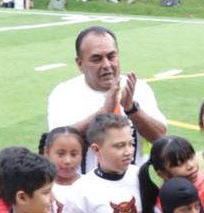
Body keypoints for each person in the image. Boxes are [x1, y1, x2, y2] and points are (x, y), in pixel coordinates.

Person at [47, 26, 167, 173]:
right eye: (96, 59)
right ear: (80, 64)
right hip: (83, 185)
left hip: (134, 184)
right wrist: (103, 113)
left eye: (111, 56)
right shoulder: (63, 93)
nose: (106, 65)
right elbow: (60, 143)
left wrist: (132, 110)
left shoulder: (138, 88)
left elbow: (160, 137)